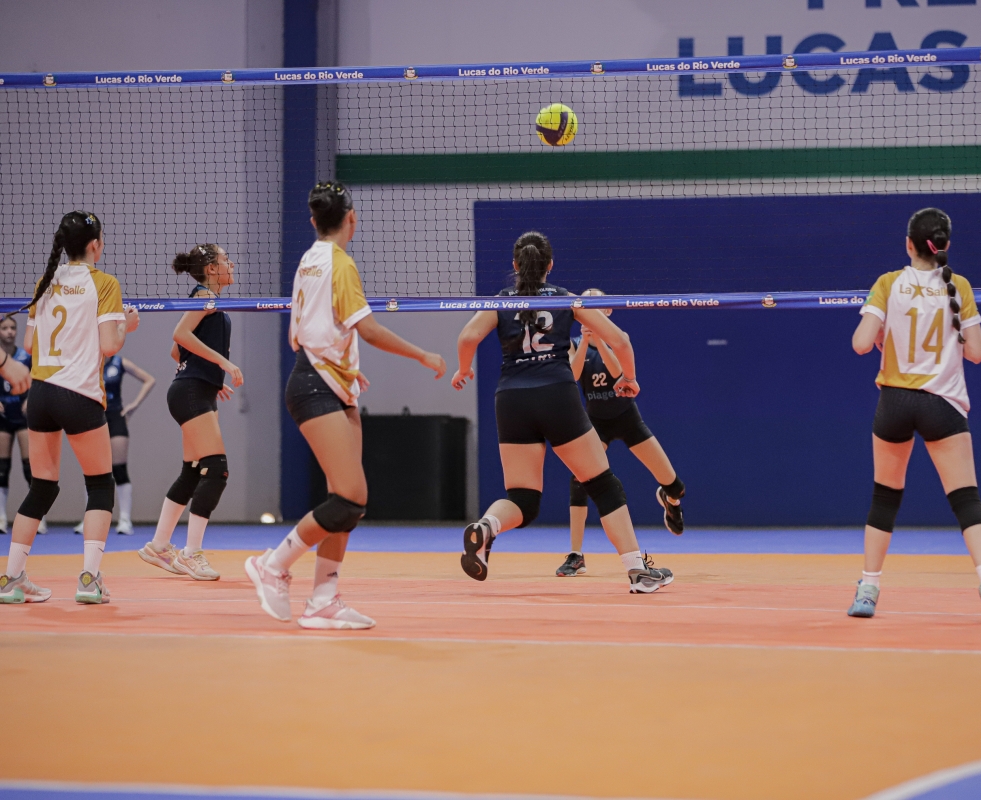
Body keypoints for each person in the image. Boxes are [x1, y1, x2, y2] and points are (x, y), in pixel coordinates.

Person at [245, 181, 446, 629]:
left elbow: (313, 327)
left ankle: (323, 599)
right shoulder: (340, 263)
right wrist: (423, 355)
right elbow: (368, 329)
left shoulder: (308, 259)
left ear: (314, 220)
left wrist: (346, 368)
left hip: (327, 379)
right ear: (352, 218)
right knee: (351, 496)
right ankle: (272, 565)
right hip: (315, 384)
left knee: (348, 501)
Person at [452, 231, 674, 594]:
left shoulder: (500, 301)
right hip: (556, 393)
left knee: (523, 498)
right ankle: (639, 571)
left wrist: (463, 369)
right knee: (602, 483)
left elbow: (467, 338)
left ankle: (487, 526)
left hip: (510, 398)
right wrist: (630, 379)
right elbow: (621, 340)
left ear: (515, 265)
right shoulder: (566, 298)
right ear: (550, 266)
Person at [848, 208, 981, 622]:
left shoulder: (888, 283)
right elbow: (977, 352)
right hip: (942, 403)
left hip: (894, 402)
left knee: (884, 498)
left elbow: (860, 343)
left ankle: (868, 589)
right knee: (966, 499)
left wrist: (882, 336)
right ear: (945, 245)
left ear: (909, 244)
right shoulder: (959, 286)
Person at [0, 211, 139, 605]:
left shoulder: (45, 281)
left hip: (42, 394)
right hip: (79, 394)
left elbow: (29, 345)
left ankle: (11, 579)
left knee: (43, 486)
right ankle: (89, 581)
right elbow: (110, 345)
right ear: (95, 244)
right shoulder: (105, 283)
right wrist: (127, 325)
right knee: (100, 484)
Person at [557, 288, 685, 577]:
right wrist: (586, 340)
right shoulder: (573, 344)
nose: (590, 309)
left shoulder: (616, 339)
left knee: (676, 485)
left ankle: (670, 500)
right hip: (596, 422)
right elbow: (572, 378)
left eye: (597, 304)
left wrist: (599, 340)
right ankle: (576, 555)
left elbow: (618, 374)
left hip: (627, 419)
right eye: (586, 304)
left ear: (608, 310)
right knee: (579, 479)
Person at [138, 244, 239, 581]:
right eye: (225, 260)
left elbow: (176, 351)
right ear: (211, 269)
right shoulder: (205, 297)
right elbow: (178, 335)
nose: (231, 264)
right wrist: (222, 364)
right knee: (216, 469)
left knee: (193, 471)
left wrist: (210, 377)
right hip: (191, 392)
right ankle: (191, 553)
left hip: (194, 389)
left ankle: (158, 546)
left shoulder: (209, 300)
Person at [72, 354, 155, 535]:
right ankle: (89, 519)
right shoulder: (87, 361)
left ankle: (125, 519)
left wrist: (134, 404)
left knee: (119, 469)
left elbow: (149, 380)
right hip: (93, 418)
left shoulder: (120, 362)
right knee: (92, 470)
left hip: (116, 417)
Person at [0, 316, 33, 535]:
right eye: (5, 328)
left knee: (30, 468)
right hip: (3, 417)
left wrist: (31, 398)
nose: (10, 331)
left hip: (22, 417)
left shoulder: (25, 357)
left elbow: (38, 379)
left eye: (13, 327)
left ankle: (38, 517)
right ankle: (1, 518)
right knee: (2, 470)